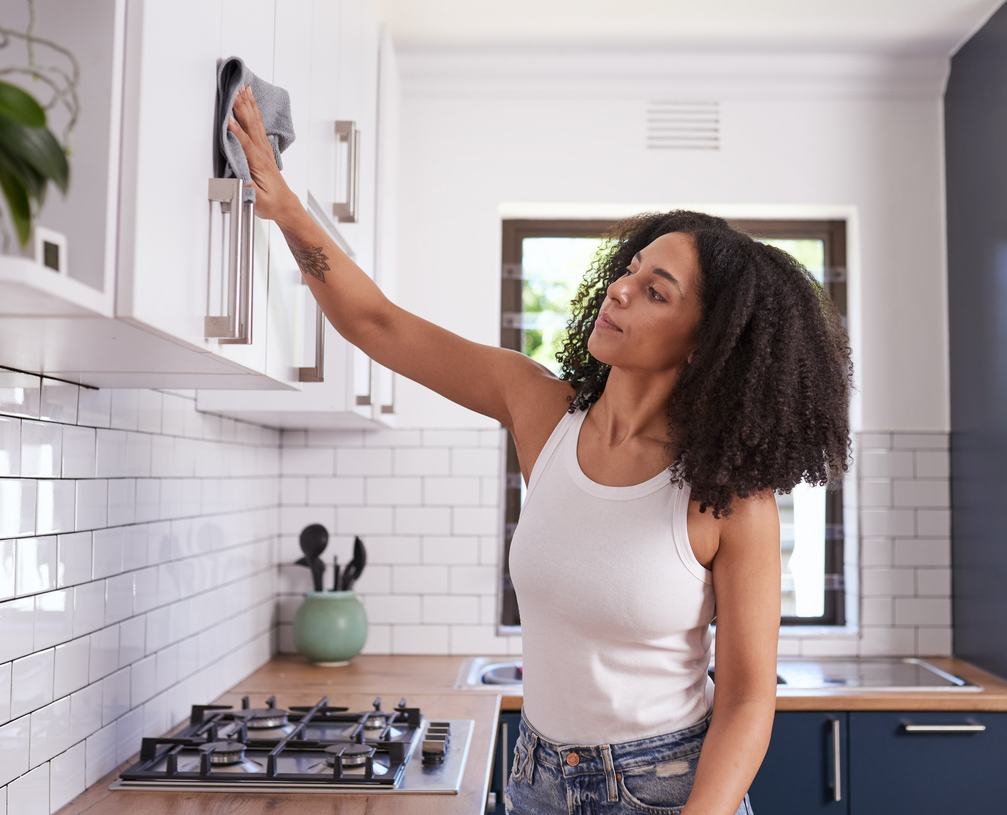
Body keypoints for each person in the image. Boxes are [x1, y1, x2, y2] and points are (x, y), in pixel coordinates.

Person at [228, 86, 852, 815]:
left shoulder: (729, 497)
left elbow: (747, 698)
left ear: (706, 343)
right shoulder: (542, 411)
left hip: (667, 788)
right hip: (536, 774)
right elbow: (376, 324)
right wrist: (287, 210)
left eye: (656, 290)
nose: (619, 290)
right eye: (630, 269)